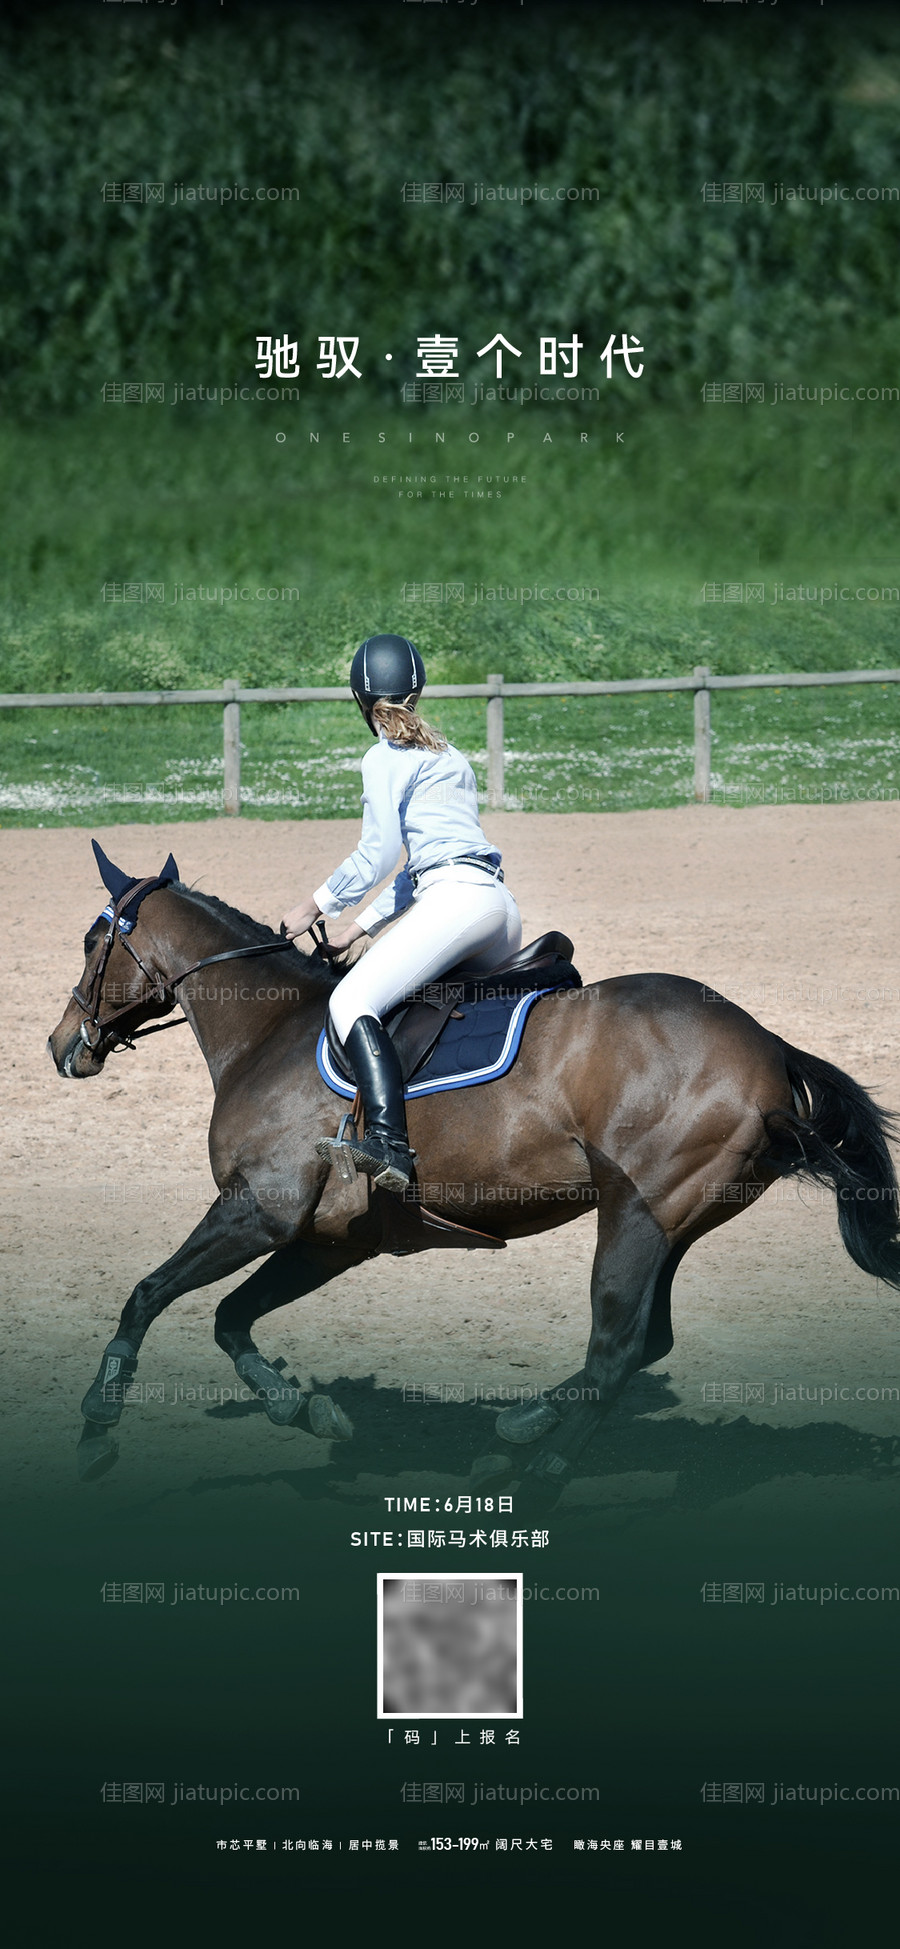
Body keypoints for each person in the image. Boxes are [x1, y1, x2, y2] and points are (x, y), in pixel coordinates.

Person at [282, 633, 522, 1193]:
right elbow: (421, 870)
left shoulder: (383, 755)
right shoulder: (447, 754)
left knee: (351, 1000)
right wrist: (355, 930)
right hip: (497, 910)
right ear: (416, 691)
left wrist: (311, 906)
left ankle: (389, 1142)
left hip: (456, 901)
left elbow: (378, 856)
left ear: (360, 700)